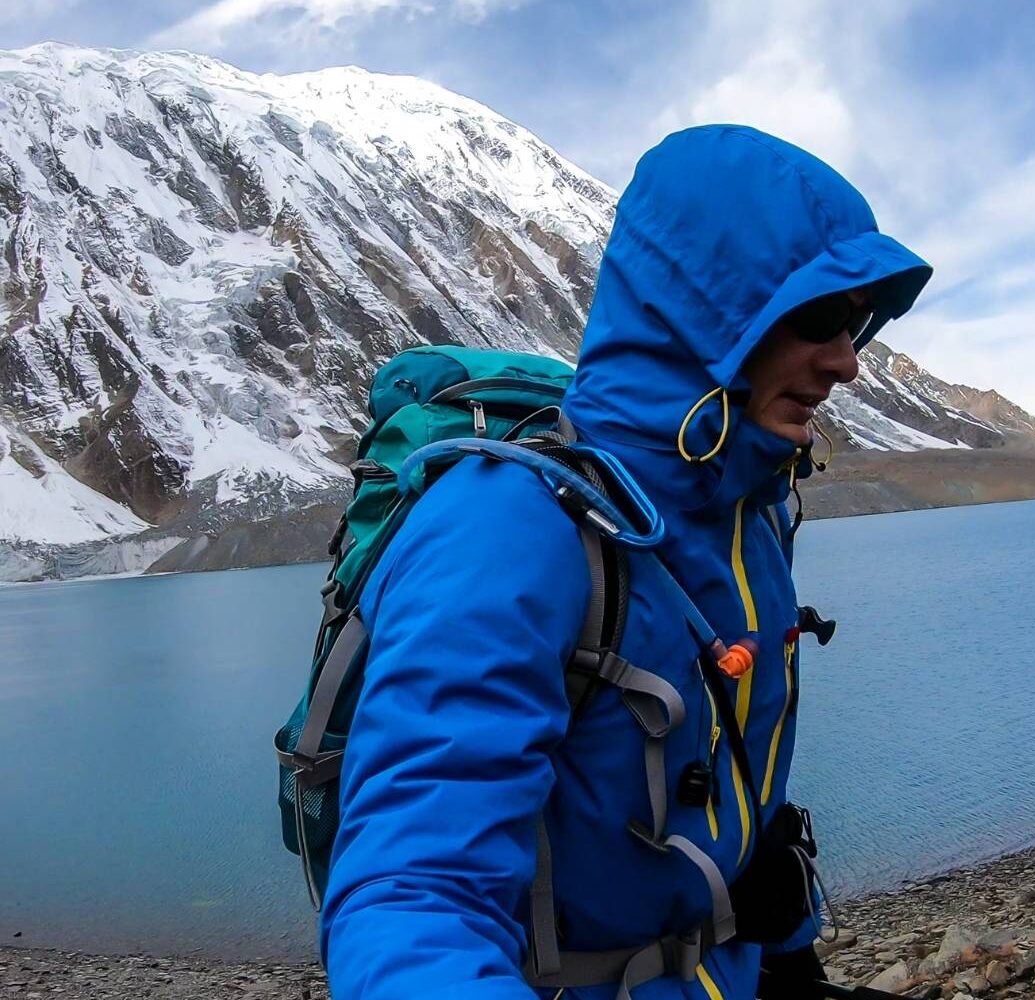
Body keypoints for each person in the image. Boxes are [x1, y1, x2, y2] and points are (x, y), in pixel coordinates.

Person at [320, 124, 931, 999]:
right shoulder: (506, 530)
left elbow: (732, 795)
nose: (848, 362)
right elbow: (414, 900)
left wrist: (788, 955)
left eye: (859, 322)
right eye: (820, 317)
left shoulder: (748, 509)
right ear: (710, 310)